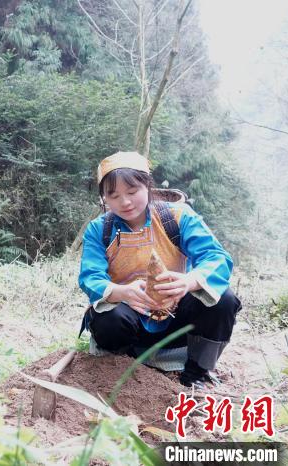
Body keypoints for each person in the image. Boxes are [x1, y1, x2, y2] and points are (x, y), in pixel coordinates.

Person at [78, 151, 241, 387]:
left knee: (222, 299)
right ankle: (122, 370)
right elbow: (90, 276)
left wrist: (189, 281)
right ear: (104, 197)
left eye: (132, 192)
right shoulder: (98, 229)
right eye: (113, 195)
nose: (124, 202)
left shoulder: (177, 216)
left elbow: (215, 257)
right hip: (129, 319)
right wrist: (121, 292)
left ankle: (195, 374)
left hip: (175, 318)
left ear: (148, 186)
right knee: (108, 317)